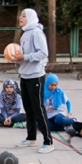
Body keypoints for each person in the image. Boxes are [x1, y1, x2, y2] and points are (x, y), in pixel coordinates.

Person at [13, 9, 53, 154]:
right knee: (28, 109)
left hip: (36, 76)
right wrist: (17, 58)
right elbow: (24, 55)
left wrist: (25, 57)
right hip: (25, 76)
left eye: (24, 16)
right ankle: (31, 138)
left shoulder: (36, 32)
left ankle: (48, 141)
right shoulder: (25, 34)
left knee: (38, 108)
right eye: (20, 15)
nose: (20, 17)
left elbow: (43, 53)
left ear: (31, 18)